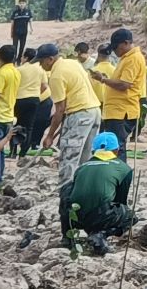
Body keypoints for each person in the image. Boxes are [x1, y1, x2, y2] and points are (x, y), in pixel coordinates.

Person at [37, 43, 101, 186]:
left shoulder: (56, 76)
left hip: (79, 114)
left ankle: (64, 189)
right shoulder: (73, 63)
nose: (41, 66)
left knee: (69, 156)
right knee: (86, 156)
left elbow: (60, 109)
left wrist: (49, 136)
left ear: (50, 59)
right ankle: (83, 188)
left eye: (41, 62)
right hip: (94, 110)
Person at [62, 132, 135, 253]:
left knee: (67, 189)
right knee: (130, 216)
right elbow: (120, 200)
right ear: (117, 150)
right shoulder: (124, 168)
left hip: (75, 216)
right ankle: (101, 234)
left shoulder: (82, 167)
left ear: (93, 151)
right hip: (101, 215)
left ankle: (66, 237)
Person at [96, 27, 147, 156]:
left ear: (126, 43)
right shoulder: (126, 57)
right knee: (113, 146)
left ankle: (119, 174)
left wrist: (103, 80)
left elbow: (125, 84)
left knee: (116, 147)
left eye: (116, 47)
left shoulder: (133, 58)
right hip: (116, 110)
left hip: (122, 111)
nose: (114, 51)